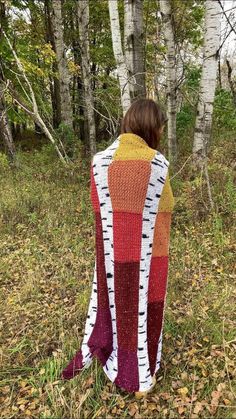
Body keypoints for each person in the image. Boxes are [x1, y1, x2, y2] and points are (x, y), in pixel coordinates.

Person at [60, 98, 175, 398]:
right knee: (141, 308)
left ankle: (118, 361)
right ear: (152, 127)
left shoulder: (99, 162)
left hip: (111, 257)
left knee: (116, 305)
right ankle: (140, 373)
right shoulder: (157, 164)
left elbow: (101, 213)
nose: (161, 132)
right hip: (147, 260)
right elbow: (162, 208)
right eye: (161, 126)